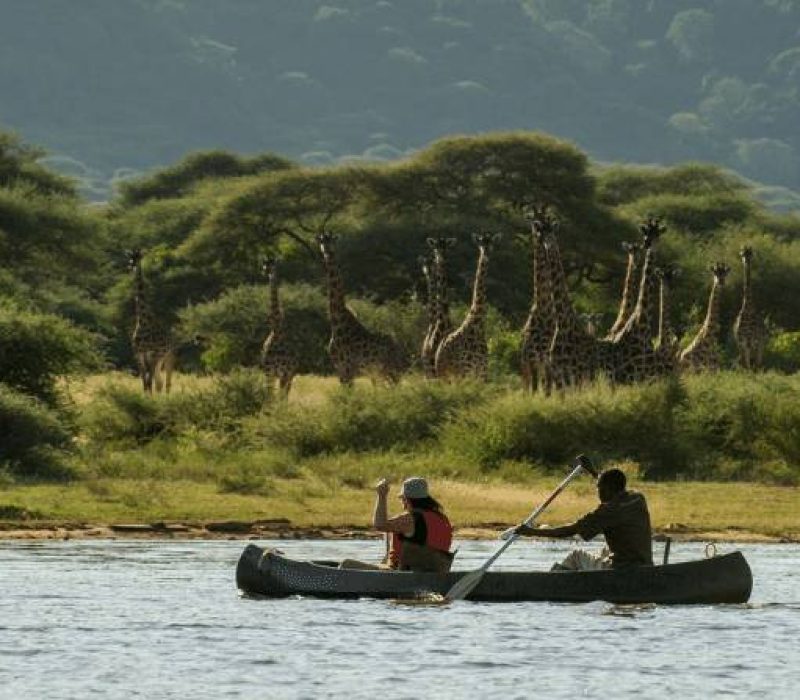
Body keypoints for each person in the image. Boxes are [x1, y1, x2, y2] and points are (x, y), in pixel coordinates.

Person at [512, 468, 653, 570]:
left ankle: (554, 584)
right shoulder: (638, 498)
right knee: (605, 551)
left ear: (607, 489)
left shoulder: (606, 512)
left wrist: (532, 532)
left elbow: (570, 530)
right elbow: (610, 482)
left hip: (621, 570)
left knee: (576, 556)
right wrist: (591, 471)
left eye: (598, 488)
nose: (597, 492)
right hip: (644, 565)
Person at [339, 476, 455, 573]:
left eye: (402, 499)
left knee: (346, 564)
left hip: (402, 574)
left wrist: (381, 495)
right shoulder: (442, 518)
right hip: (435, 572)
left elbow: (380, 525)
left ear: (406, 500)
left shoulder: (410, 519)